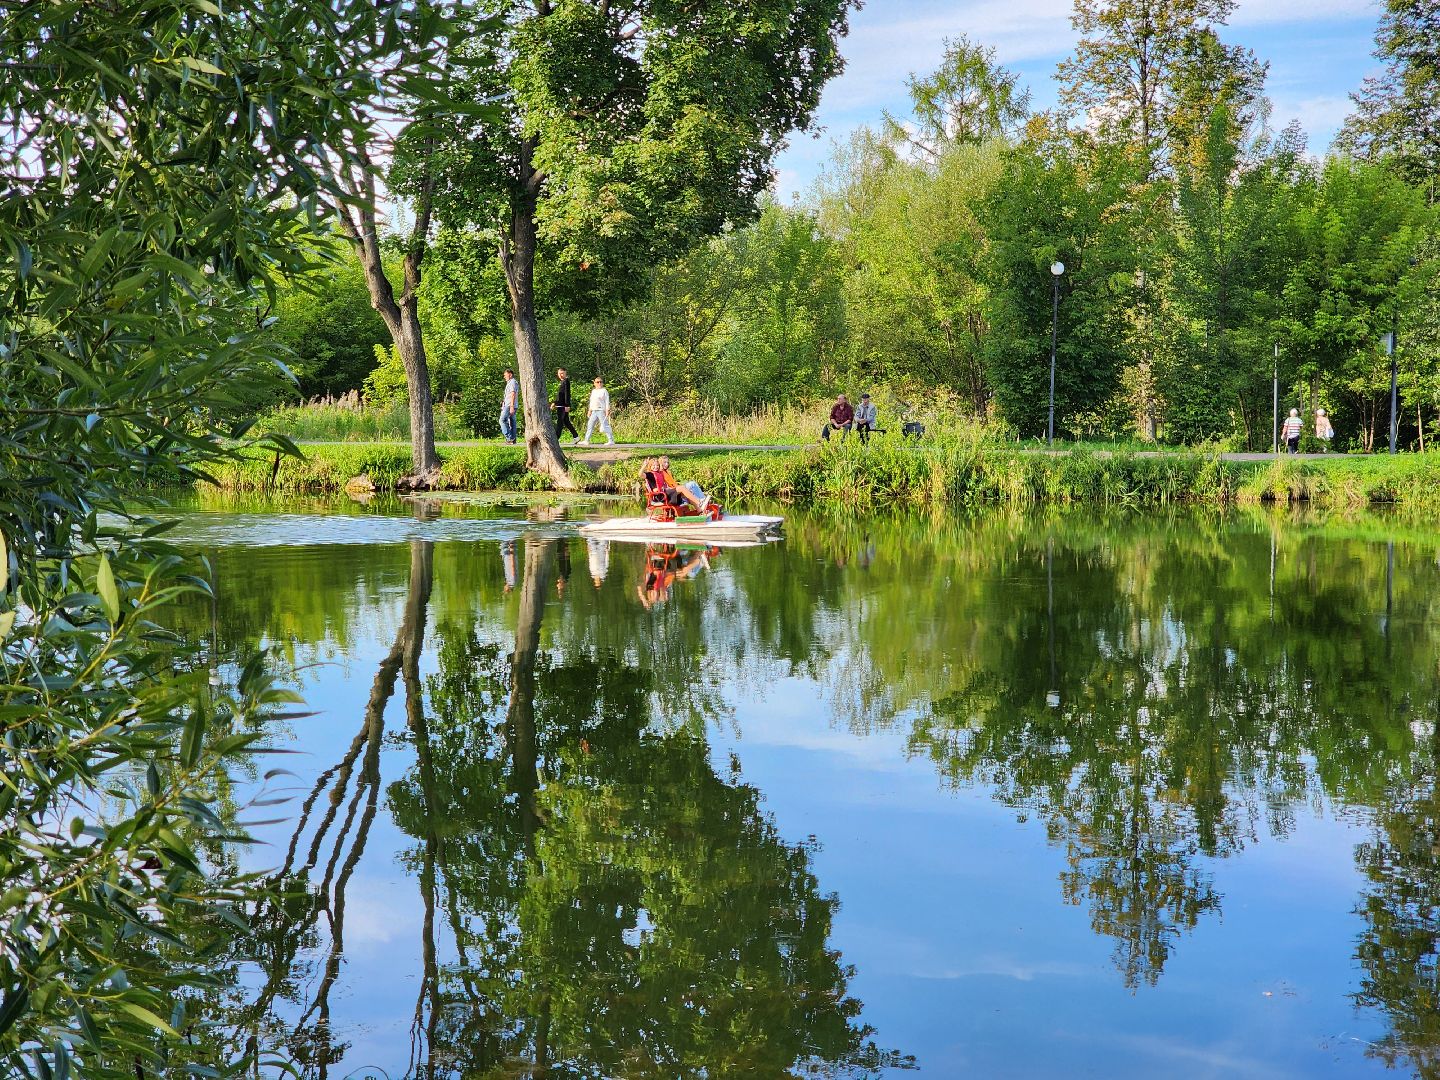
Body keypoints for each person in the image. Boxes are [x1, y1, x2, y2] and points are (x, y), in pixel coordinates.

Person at [582, 376, 614, 446]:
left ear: (602, 383)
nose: (599, 383)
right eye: (597, 382)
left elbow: (607, 401)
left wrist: (607, 409)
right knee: (590, 425)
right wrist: (589, 410)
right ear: (594, 383)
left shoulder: (604, 391)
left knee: (605, 425)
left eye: (600, 382)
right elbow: (591, 401)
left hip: (601, 410)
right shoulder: (593, 391)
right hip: (594, 410)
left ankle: (611, 440)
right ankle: (586, 440)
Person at [553, 368, 579, 442]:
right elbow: (560, 395)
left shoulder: (566, 381)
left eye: (562, 373)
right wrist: (555, 403)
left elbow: (567, 394)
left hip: (563, 406)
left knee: (560, 422)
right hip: (560, 405)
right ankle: (576, 436)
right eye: (559, 373)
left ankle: (556, 438)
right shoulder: (562, 382)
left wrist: (567, 405)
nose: (561, 375)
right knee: (566, 421)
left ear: (565, 373)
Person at [500, 369, 520, 444]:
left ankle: (509, 438)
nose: (504, 376)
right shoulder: (511, 382)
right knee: (512, 421)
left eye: (505, 375)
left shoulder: (512, 382)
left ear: (510, 374)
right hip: (509, 404)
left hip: (509, 405)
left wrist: (511, 405)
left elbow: (513, 394)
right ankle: (513, 439)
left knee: (502, 420)